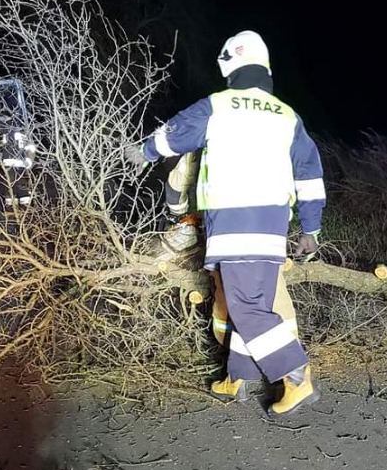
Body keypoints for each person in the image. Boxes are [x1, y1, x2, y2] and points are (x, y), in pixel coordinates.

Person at [132, 30, 325, 418]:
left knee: (248, 306)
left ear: (231, 66)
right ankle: (235, 377)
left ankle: (296, 377)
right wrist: (311, 229)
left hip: (234, 222)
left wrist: (142, 151)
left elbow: (175, 135)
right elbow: (309, 174)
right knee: (248, 302)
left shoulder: (217, 106)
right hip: (271, 225)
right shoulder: (288, 116)